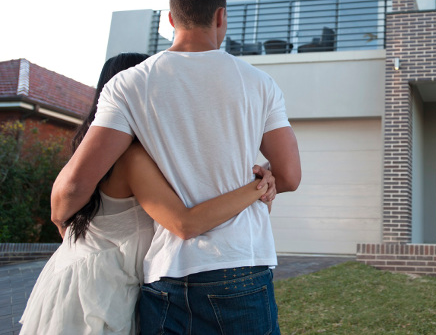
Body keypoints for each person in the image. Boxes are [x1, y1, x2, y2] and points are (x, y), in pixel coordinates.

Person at [51, 0, 302, 334]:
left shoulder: (128, 84)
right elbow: (290, 176)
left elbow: (74, 186)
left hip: (165, 273)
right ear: (220, 17)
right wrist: (263, 178)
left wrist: (63, 224)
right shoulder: (259, 83)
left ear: (171, 20)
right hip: (240, 266)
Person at [21, 53, 273, 334]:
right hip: (96, 291)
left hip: (92, 278)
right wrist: (256, 187)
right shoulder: (131, 156)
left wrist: (60, 220)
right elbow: (184, 224)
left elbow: (64, 204)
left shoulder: (113, 151)